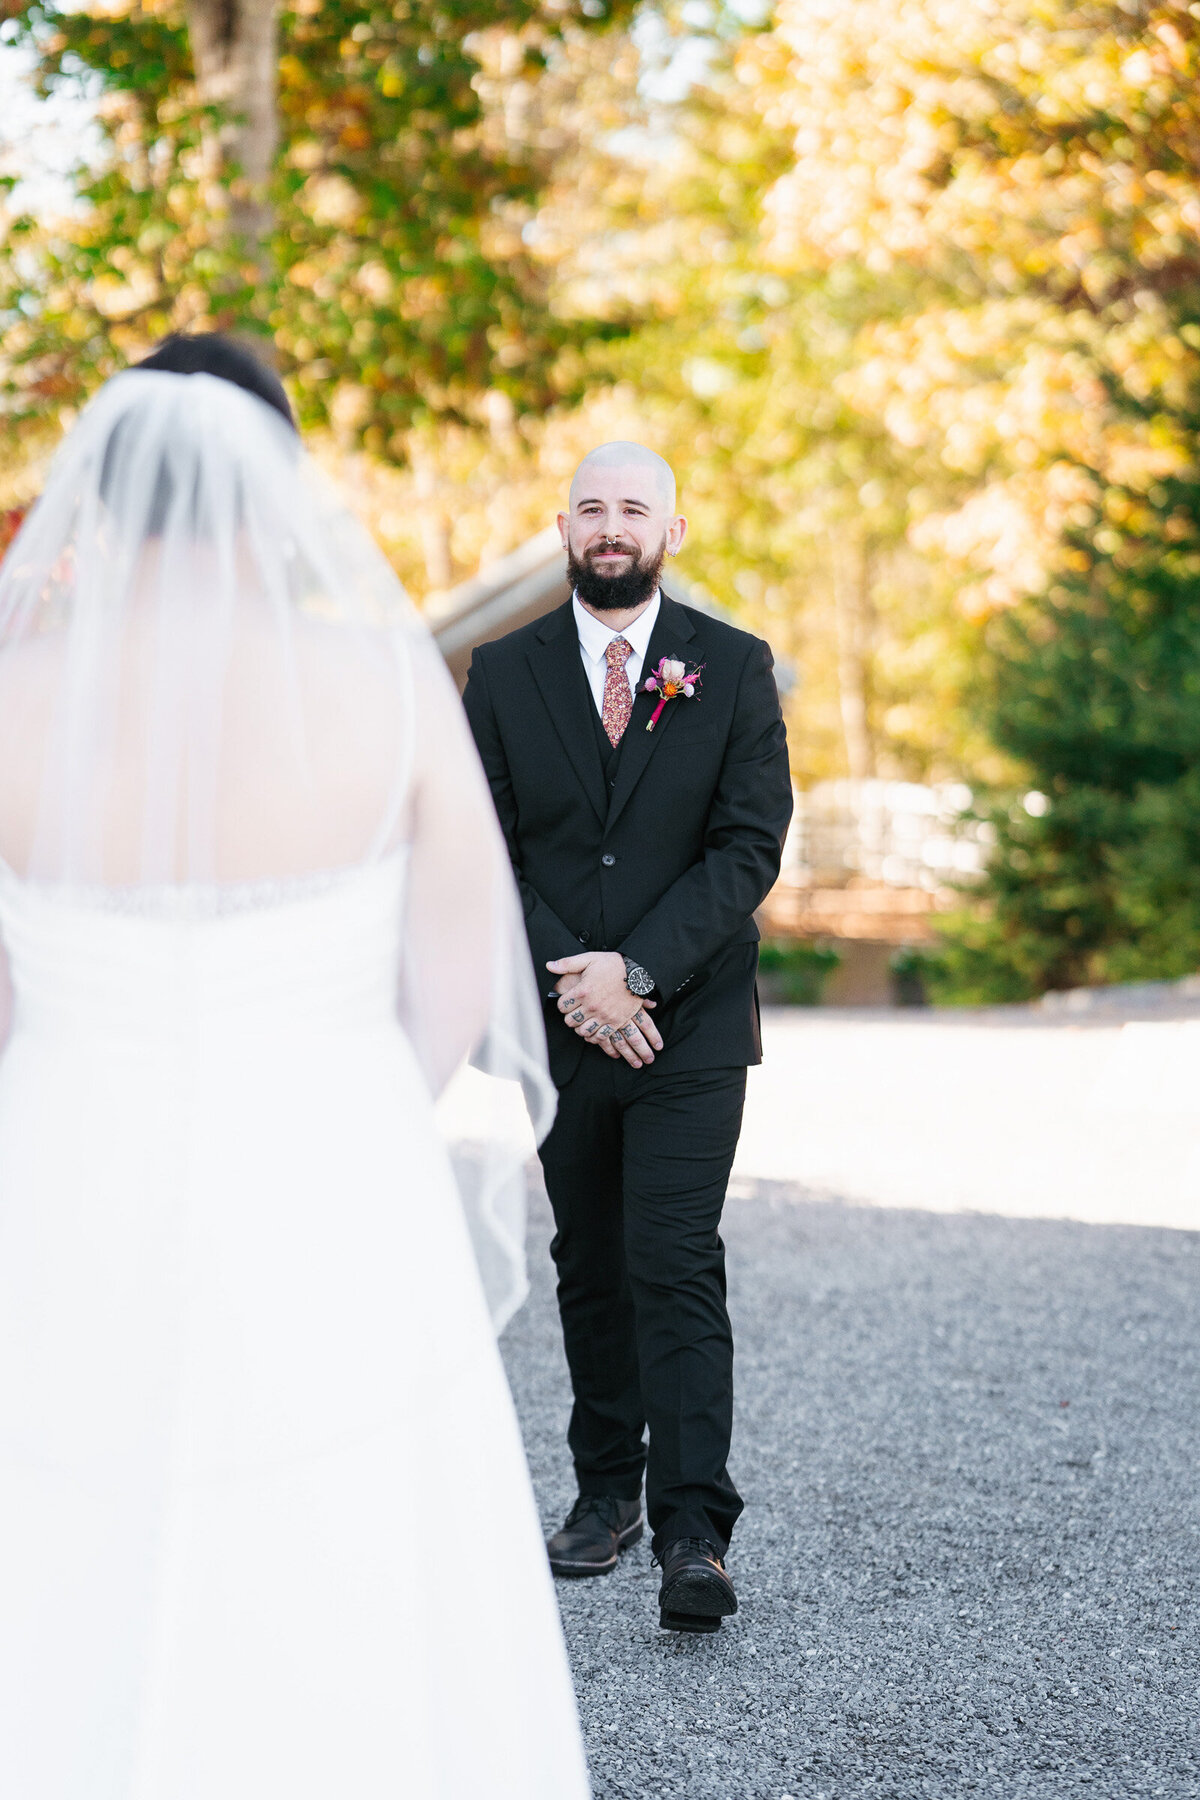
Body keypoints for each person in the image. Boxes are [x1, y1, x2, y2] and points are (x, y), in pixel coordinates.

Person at [0, 335, 590, 1798]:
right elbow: (456, 983)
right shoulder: (385, 686)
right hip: (330, 1171)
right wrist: (332, 1100)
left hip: (64, 1167)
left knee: (64, 1536)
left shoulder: (14, 699)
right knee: (343, 1541)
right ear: (281, 485)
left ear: (103, 498)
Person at [463, 441, 793, 1633]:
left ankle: (693, 1530)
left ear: (672, 530)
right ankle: (604, 1493)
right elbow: (483, 844)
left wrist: (639, 974)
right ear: (563, 528)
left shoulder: (734, 666)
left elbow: (748, 846)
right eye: (592, 508)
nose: (612, 527)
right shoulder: (502, 673)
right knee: (589, 1259)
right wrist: (579, 981)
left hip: (689, 1025)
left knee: (673, 1255)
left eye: (634, 509)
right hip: (561, 1019)